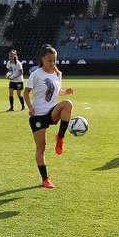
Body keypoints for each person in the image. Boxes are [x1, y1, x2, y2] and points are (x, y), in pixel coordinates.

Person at [24, 44, 75, 189]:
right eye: (50, 61)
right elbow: (26, 92)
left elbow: (58, 92)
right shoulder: (36, 74)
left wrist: (66, 92)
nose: (52, 63)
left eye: (54, 60)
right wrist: (30, 107)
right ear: (42, 59)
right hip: (38, 116)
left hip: (51, 112)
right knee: (41, 147)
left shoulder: (58, 74)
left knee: (68, 104)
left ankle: (60, 137)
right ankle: (45, 179)